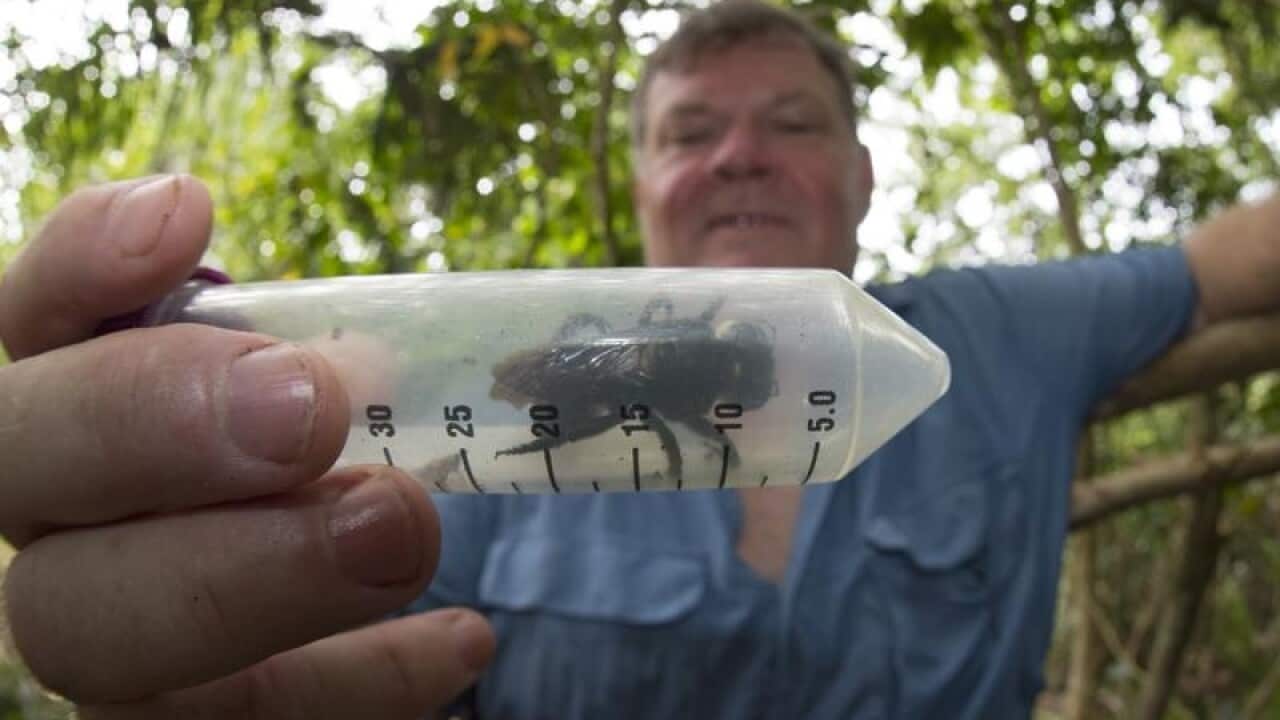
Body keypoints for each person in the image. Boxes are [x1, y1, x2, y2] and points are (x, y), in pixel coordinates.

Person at [0, 1, 1276, 718]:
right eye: (689, 132)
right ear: (641, 183)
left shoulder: (986, 335)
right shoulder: (489, 390)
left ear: (864, 175)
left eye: (790, 123)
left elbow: (1221, 262)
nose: (737, 156)